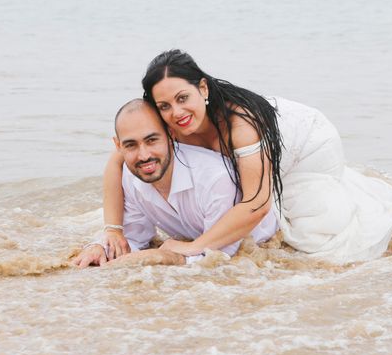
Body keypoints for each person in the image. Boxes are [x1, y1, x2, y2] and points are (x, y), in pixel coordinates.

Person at [101, 50, 392, 265]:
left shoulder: (241, 126)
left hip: (305, 144)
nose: (177, 112)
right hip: (258, 160)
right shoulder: (171, 124)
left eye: (183, 98)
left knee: (310, 234)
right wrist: (113, 229)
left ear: (202, 88)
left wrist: (194, 247)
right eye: (164, 105)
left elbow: (257, 204)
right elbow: (117, 162)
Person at [73, 98, 278, 268]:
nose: (144, 155)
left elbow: (220, 258)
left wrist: (167, 258)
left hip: (264, 236)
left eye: (152, 140)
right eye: (131, 145)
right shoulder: (130, 174)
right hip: (200, 237)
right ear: (118, 146)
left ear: (171, 136)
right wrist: (101, 248)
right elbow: (134, 238)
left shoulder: (214, 178)